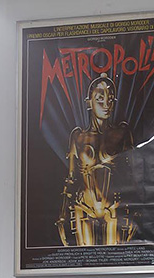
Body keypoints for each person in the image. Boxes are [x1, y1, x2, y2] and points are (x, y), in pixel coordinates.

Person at [56, 73, 137, 247]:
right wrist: (62, 216)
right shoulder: (78, 136)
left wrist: (135, 214)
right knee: (85, 260)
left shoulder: (122, 133)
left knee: (115, 261)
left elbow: (132, 177)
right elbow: (70, 178)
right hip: (83, 206)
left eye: (110, 99)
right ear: (89, 102)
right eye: (100, 98)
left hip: (113, 206)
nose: (106, 104)